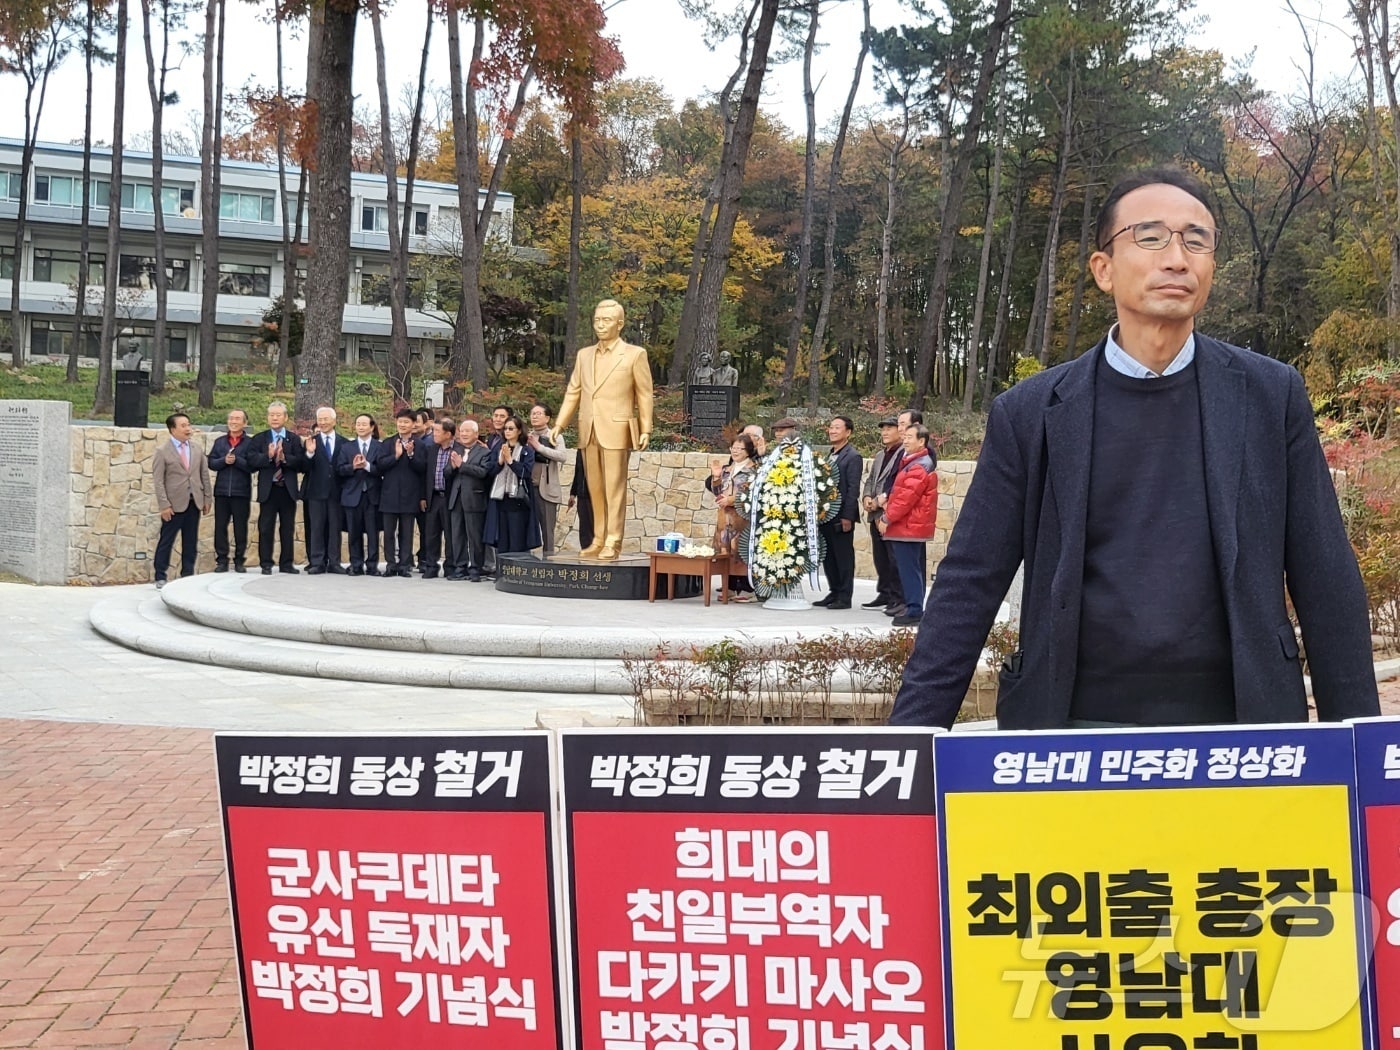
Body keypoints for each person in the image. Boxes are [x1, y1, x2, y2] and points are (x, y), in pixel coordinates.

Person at [891, 166, 1380, 730]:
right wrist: (911, 740)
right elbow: (970, 580)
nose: (1177, 258)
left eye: (1196, 240)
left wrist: (1360, 743)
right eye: (1150, 237)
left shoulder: (1270, 395)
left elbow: (1325, 574)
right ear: (1103, 269)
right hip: (1072, 727)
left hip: (1243, 727)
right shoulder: (1030, 412)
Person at [552, 299, 653, 561]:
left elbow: (644, 394)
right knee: (595, 489)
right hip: (589, 428)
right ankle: (598, 538)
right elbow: (573, 391)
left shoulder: (634, 354)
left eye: (606, 320)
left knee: (614, 489)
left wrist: (646, 428)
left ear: (619, 324)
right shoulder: (584, 355)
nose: (600, 325)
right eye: (597, 320)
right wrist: (560, 424)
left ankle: (613, 540)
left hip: (617, 429)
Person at [878, 425, 937, 628]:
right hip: (911, 526)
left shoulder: (918, 466)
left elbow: (905, 499)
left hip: (909, 527)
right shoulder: (913, 462)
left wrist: (886, 518)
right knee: (912, 569)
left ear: (922, 441)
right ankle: (915, 608)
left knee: (909, 570)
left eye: (910, 437)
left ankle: (914, 610)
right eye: (905, 437)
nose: (905, 440)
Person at [247, 401, 309, 575]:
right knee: (266, 527)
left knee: (287, 528)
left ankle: (287, 563)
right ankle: (266, 563)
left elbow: (301, 463)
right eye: (271, 415)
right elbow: (251, 461)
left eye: (278, 415)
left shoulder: (294, 439)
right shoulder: (260, 438)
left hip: (287, 489)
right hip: (269, 489)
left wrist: (284, 458)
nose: (274, 418)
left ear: (285, 417)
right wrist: (268, 455)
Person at [151, 412, 212, 589]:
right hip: (173, 505)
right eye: (183, 426)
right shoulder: (162, 451)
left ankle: (187, 574)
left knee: (190, 541)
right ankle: (160, 575)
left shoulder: (196, 449)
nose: (188, 429)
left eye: (189, 425)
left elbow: (204, 475)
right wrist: (164, 505)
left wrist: (207, 498)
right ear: (172, 429)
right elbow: (158, 481)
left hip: (194, 502)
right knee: (166, 540)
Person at [815, 415, 861, 610]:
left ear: (848, 432)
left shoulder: (852, 456)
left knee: (843, 556)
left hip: (841, 515)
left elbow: (852, 489)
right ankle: (834, 591)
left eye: (837, 428)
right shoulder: (829, 455)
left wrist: (847, 516)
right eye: (831, 427)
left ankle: (844, 596)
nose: (832, 431)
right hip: (826, 514)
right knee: (829, 556)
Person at [861, 417, 905, 615]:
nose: (885, 432)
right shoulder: (880, 455)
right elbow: (871, 478)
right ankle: (884, 592)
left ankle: (897, 597)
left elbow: (896, 483)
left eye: (890, 429)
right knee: (880, 557)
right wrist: (867, 497)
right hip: (874, 512)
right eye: (883, 429)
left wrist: (880, 501)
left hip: (889, 513)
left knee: (893, 557)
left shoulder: (904, 453)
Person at [376, 408, 425, 578]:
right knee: (388, 533)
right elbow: (380, 465)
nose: (402, 425)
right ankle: (391, 564)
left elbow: (423, 468)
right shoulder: (388, 443)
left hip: (410, 495)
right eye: (400, 421)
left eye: (406, 422)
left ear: (413, 424)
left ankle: (405, 565)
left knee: (406, 532)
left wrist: (410, 455)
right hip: (389, 494)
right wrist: (395, 456)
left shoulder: (420, 444)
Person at [709, 434, 759, 601]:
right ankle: (728, 587)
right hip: (724, 518)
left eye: (740, 448)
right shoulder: (727, 469)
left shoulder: (754, 470)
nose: (735, 451)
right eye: (733, 448)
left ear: (748, 451)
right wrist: (716, 477)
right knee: (724, 549)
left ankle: (747, 588)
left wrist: (732, 500)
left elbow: (754, 494)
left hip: (742, 518)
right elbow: (717, 493)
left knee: (741, 550)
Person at [445, 419, 494, 580]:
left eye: (467, 431)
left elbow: (483, 473)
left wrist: (462, 466)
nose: (464, 434)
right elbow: (447, 473)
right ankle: (460, 567)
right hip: (456, 498)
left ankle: (476, 568)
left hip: (474, 498)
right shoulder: (456, 449)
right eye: (462, 431)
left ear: (476, 434)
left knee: (474, 536)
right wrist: (452, 466)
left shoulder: (484, 452)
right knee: (457, 535)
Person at [485, 415, 541, 556]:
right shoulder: (499, 448)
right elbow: (490, 471)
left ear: (519, 431)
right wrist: (500, 461)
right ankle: (503, 571)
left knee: (517, 537)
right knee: (502, 538)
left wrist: (510, 461)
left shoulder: (526, 450)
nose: (507, 431)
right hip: (500, 499)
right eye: (505, 429)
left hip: (518, 500)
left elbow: (526, 472)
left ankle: (517, 571)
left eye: (511, 428)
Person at [301, 406, 346, 575]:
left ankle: (334, 562)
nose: (323, 422)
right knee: (316, 528)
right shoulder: (311, 441)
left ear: (334, 421)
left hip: (336, 492)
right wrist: (309, 453)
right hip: (316, 492)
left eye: (326, 419)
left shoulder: (344, 442)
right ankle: (317, 562)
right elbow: (303, 467)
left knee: (335, 528)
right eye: (320, 419)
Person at [336, 413, 382, 575]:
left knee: (372, 533)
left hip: (372, 495)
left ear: (371, 427)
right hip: (352, 495)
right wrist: (354, 467)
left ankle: (372, 565)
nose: (361, 427)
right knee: (353, 533)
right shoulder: (347, 447)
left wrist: (367, 465)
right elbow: (340, 470)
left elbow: (382, 469)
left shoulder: (379, 447)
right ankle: (356, 564)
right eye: (358, 424)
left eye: (364, 424)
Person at [207, 408, 253, 573]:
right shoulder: (220, 442)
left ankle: (239, 560)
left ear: (245, 423)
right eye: (231, 418)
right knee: (220, 527)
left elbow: (252, 466)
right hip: (221, 491)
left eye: (237, 419)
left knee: (240, 528)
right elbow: (211, 462)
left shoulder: (249, 443)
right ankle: (222, 560)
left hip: (241, 492)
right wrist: (224, 461)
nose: (233, 421)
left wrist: (237, 461)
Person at [419, 417, 462, 579]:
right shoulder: (432, 449)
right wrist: (423, 496)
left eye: (437, 431)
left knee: (450, 534)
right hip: (433, 497)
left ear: (448, 433)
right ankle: (431, 566)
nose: (434, 434)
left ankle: (450, 566)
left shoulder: (459, 449)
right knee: (431, 534)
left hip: (450, 497)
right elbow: (426, 475)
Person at [526, 401, 567, 556]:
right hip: (528, 488)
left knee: (547, 529)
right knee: (527, 527)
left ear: (547, 418)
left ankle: (549, 562)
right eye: (532, 413)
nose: (534, 416)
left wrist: (539, 447)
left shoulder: (555, 436)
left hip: (547, 489)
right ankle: (525, 561)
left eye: (538, 414)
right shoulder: (527, 436)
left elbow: (563, 456)